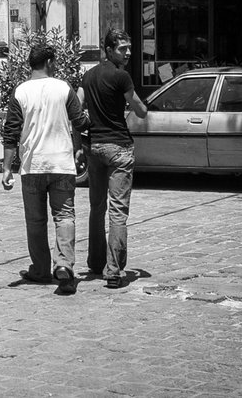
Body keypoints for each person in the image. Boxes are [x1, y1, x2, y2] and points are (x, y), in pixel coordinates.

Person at [1, 44, 89, 295]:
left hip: (32, 166)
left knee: (35, 221)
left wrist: (7, 169)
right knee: (64, 216)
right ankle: (63, 265)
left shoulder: (20, 92)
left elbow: (11, 132)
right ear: (49, 62)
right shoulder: (63, 88)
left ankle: (39, 269)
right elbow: (79, 121)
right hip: (61, 164)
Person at [78, 29, 148, 289]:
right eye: (122, 48)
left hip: (95, 147)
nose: (128, 53)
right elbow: (141, 110)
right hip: (119, 148)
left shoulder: (88, 76)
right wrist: (135, 105)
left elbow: (76, 104)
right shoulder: (121, 76)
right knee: (118, 211)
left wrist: (82, 134)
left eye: (129, 47)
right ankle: (114, 271)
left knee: (97, 207)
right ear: (108, 50)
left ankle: (95, 262)